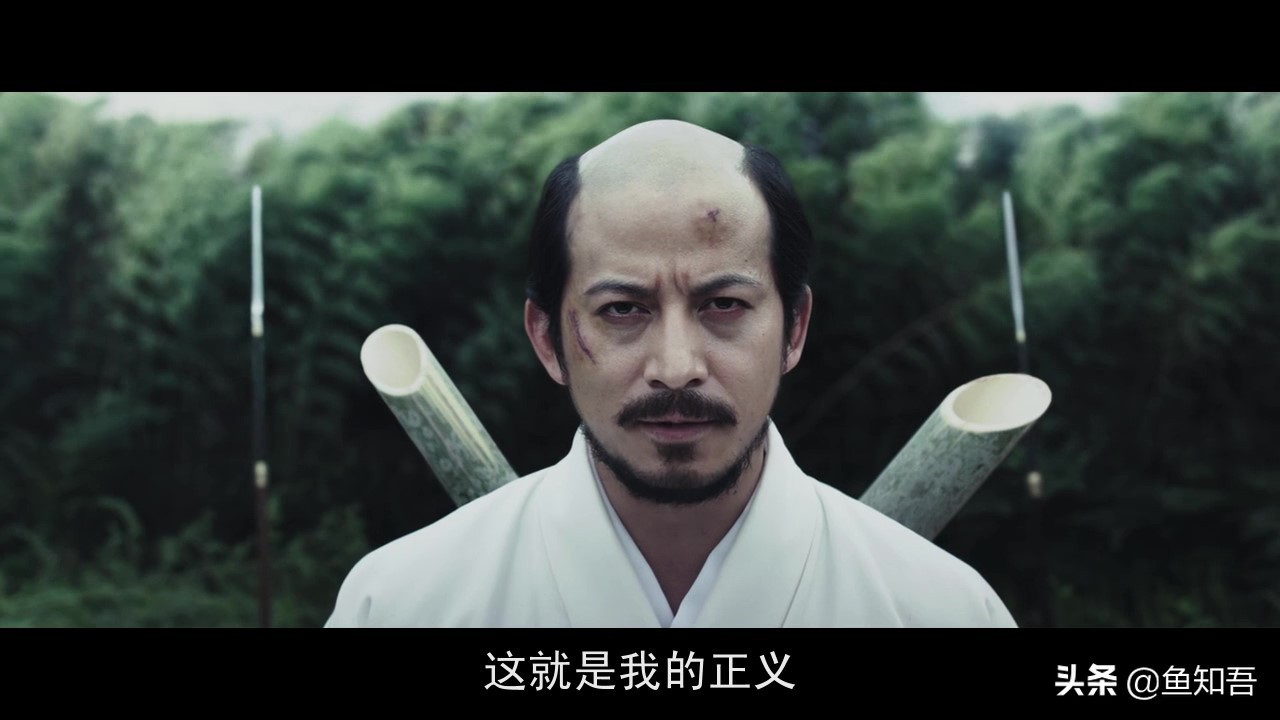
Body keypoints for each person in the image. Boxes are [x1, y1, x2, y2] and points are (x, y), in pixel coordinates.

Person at [325, 119, 1017, 628]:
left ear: (795, 328)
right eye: (623, 309)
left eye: (724, 305)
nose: (677, 368)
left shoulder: (942, 609)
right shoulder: (400, 604)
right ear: (546, 338)